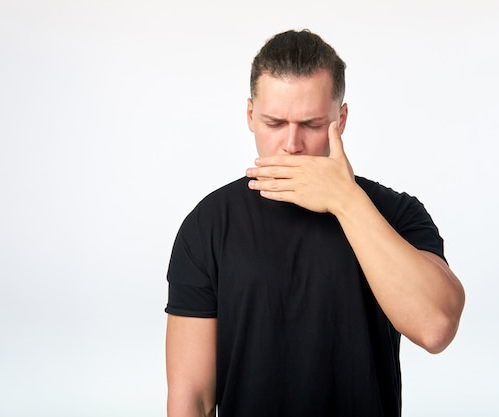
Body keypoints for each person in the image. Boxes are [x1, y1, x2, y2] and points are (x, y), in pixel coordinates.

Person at [165, 29, 465, 417]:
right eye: (274, 123)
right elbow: (193, 397)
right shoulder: (207, 225)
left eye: (311, 124)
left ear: (340, 119)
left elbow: (436, 327)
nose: (292, 144)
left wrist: (345, 200)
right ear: (251, 116)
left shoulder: (394, 212)